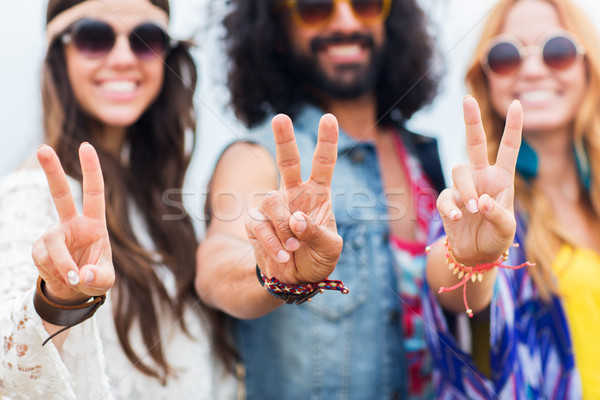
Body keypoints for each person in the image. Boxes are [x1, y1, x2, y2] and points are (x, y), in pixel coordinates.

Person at [195, 0, 446, 398]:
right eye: (315, 8)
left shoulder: (423, 159)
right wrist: (274, 273)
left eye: (366, 4)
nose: (346, 22)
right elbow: (217, 265)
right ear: (276, 33)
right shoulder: (257, 157)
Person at [0, 0, 236, 398]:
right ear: (60, 56)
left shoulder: (160, 197)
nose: (125, 58)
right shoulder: (33, 193)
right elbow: (9, 367)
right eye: (95, 37)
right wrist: (59, 297)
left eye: (147, 40)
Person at [424, 0, 600, 398]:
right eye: (506, 55)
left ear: (588, 68)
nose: (533, 69)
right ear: (485, 79)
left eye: (557, 50)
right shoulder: (474, 207)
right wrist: (470, 262)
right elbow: (456, 310)